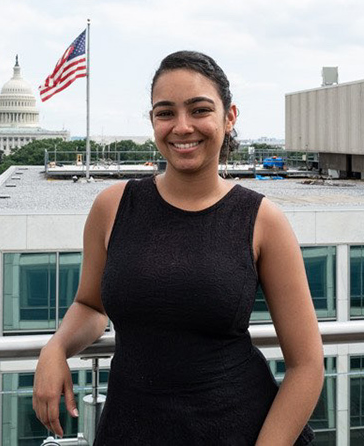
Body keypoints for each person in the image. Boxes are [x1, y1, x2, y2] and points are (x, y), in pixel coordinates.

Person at [33, 51, 324, 445]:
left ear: (229, 117)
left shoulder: (262, 221)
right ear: (152, 121)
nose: (182, 127)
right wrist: (56, 347)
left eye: (199, 110)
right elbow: (91, 305)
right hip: (129, 430)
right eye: (165, 112)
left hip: (238, 430)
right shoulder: (112, 207)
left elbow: (306, 365)